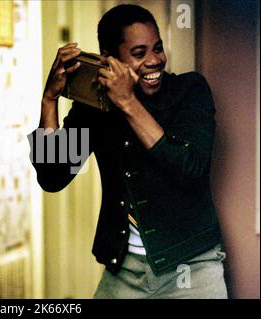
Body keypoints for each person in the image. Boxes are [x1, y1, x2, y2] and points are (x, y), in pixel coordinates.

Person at [29, 4, 227, 298]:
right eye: (139, 53)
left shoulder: (190, 90)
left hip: (192, 270)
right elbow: (52, 176)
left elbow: (190, 168)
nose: (154, 60)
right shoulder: (93, 108)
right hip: (123, 272)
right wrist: (49, 99)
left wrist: (128, 102)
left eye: (157, 48)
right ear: (110, 60)